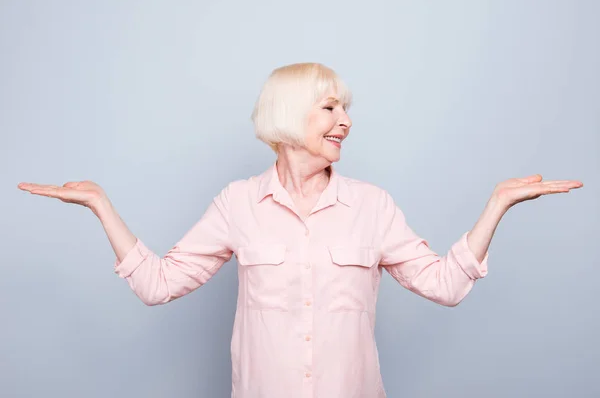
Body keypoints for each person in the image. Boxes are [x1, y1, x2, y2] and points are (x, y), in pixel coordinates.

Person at [18, 62, 583, 398]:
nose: (347, 121)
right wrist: (100, 204)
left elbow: (447, 285)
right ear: (290, 116)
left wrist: (499, 203)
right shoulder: (238, 202)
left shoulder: (372, 205)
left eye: (346, 109)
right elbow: (157, 284)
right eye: (330, 108)